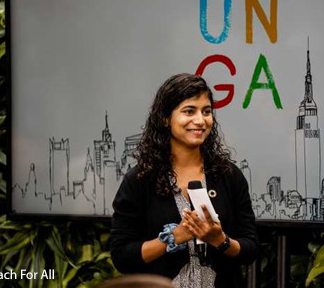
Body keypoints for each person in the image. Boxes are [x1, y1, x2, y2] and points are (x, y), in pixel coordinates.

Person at [109, 73, 259, 288]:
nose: (200, 120)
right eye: (189, 111)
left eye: (206, 112)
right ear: (165, 118)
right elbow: (122, 256)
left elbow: (250, 249)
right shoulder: (140, 180)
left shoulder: (228, 175)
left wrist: (220, 240)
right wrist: (174, 237)